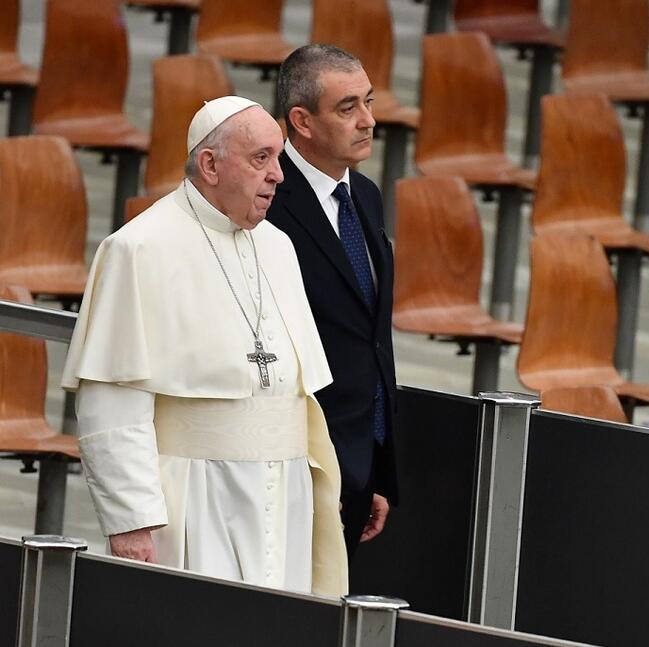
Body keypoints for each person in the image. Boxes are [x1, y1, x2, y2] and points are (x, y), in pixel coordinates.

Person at [61, 96, 348, 596]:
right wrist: (131, 520)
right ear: (210, 164)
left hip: (285, 498)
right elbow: (112, 401)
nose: (278, 175)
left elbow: (296, 392)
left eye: (279, 158)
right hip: (195, 497)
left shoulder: (278, 246)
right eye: (261, 159)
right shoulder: (138, 249)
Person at [268, 44, 398, 558]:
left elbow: (372, 338)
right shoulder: (265, 200)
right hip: (297, 462)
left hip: (358, 461)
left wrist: (377, 466)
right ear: (301, 120)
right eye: (348, 108)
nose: (367, 120)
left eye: (368, 102)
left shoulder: (364, 194)